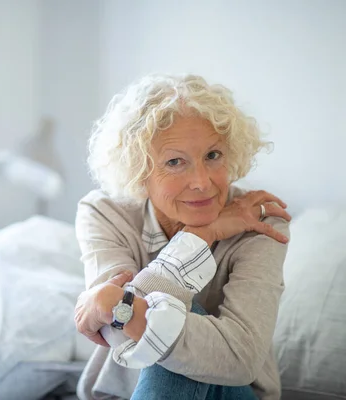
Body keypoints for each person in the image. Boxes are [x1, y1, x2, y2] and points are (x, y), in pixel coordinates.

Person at [73, 74, 291, 400]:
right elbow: (115, 333)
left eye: (213, 156)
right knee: (167, 321)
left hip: (232, 392)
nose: (202, 182)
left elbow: (240, 358)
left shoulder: (260, 218)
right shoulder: (104, 212)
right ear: (139, 169)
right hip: (126, 390)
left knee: (169, 320)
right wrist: (203, 234)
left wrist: (124, 306)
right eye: (175, 162)